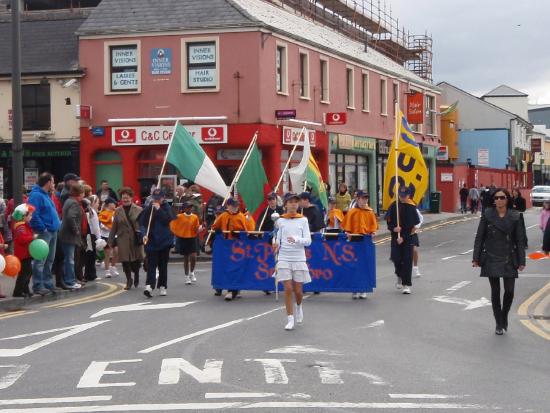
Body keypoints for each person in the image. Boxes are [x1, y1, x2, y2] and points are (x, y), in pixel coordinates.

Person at [473, 188, 525, 335]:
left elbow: (520, 241)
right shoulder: (487, 214)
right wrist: (476, 258)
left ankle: (504, 315)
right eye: (496, 198)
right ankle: (498, 323)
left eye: (502, 198)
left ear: (507, 199)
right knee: (495, 292)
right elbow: (479, 237)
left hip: (509, 257)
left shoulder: (515, 216)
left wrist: (522, 261)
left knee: (509, 291)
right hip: (491, 256)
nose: (499, 200)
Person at [273, 192, 312, 331]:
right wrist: (276, 244)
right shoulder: (280, 220)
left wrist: (296, 240)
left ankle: (299, 306)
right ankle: (290, 318)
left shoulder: (303, 220)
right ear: (285, 204)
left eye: (296, 202)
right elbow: (278, 237)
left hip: (299, 258)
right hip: (284, 257)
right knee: (288, 289)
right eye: (290, 202)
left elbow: (308, 241)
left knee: (298, 291)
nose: (293, 204)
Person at [28, 173, 61, 296]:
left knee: (50, 260)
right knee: (40, 259)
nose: (54, 184)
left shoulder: (46, 195)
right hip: (45, 231)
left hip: (52, 230)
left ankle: (47, 284)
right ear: (47, 183)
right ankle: (38, 285)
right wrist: (43, 228)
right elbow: (33, 214)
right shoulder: (36, 195)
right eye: (52, 182)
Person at [341, 190, 377, 299]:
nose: (364, 200)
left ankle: (363, 289)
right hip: (354, 241)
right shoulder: (352, 212)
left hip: (365, 241)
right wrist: (347, 232)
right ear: (358, 199)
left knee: (364, 265)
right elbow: (346, 226)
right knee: (353, 266)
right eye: (363, 198)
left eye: (366, 198)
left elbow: (373, 226)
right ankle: (354, 289)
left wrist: (373, 232)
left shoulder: (370, 212)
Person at [211, 197, 248, 300]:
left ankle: (232, 290)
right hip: (226, 246)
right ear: (227, 206)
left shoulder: (241, 216)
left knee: (235, 268)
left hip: (237, 246)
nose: (235, 208)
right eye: (233, 206)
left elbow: (246, 232)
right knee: (226, 267)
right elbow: (214, 226)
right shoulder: (223, 216)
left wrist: (238, 234)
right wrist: (217, 230)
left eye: (236, 206)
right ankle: (226, 287)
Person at [140, 189, 175, 298]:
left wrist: (159, 210)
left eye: (158, 198)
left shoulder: (167, 208)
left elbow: (168, 220)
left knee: (162, 265)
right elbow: (142, 223)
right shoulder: (149, 208)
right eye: (155, 198)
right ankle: (149, 286)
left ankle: (163, 285)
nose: (156, 200)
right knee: (151, 265)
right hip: (152, 241)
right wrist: (144, 234)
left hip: (164, 241)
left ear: (163, 197)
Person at [385, 186, 420, 295]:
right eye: (400, 195)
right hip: (396, 237)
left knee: (407, 260)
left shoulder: (411, 207)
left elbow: (414, 226)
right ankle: (399, 275)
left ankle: (406, 284)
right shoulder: (393, 206)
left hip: (408, 237)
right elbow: (388, 221)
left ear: (409, 196)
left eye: (404, 196)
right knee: (396, 258)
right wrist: (394, 228)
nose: (402, 198)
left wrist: (403, 237)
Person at [109, 187, 144, 290]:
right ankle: (129, 280)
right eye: (123, 198)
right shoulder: (118, 211)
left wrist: (144, 236)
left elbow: (143, 225)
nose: (125, 200)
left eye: (127, 198)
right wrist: (110, 240)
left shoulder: (139, 209)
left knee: (136, 261)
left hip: (135, 238)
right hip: (122, 238)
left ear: (131, 198)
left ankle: (136, 274)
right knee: (125, 261)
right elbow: (114, 226)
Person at [59, 183, 85, 290]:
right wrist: (76, 230)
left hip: (65, 234)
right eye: (83, 193)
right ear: (79, 193)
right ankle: (70, 281)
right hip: (69, 236)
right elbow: (71, 217)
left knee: (68, 258)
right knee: (70, 259)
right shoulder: (74, 203)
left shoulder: (68, 201)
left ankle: (70, 280)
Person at [170, 202, 201, 285]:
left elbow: (197, 228)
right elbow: (173, 225)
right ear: (184, 209)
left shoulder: (195, 217)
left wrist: (200, 228)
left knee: (193, 256)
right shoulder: (179, 217)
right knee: (186, 258)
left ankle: (192, 272)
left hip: (192, 238)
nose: (189, 209)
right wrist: (177, 233)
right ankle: (186, 276)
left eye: (190, 207)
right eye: (187, 207)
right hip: (183, 238)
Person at [12, 203, 37, 298]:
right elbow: (22, 239)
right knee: (24, 272)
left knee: (28, 272)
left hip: (26, 253)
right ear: (23, 216)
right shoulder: (21, 227)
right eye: (30, 215)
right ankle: (18, 291)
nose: (31, 216)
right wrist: (32, 237)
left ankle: (25, 289)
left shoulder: (24, 225)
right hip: (22, 253)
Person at [99, 198, 119, 278]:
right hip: (106, 235)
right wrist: (108, 228)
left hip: (115, 235)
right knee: (107, 253)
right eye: (113, 204)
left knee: (116, 251)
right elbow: (101, 224)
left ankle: (113, 266)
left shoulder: (115, 213)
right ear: (109, 204)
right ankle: (107, 270)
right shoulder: (103, 213)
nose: (115, 205)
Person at [84, 194, 100, 282]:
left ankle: (89, 274)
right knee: (91, 256)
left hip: (88, 236)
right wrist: (99, 238)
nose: (98, 204)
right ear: (93, 203)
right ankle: (91, 274)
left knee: (89, 255)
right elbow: (96, 227)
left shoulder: (89, 211)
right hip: (92, 236)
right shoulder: (92, 212)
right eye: (97, 202)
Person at [412, 207, 424, 278]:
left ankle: (415, 267)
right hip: (402, 233)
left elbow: (421, 218)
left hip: (412, 233)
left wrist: (416, 227)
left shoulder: (413, 208)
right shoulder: (397, 208)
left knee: (414, 250)